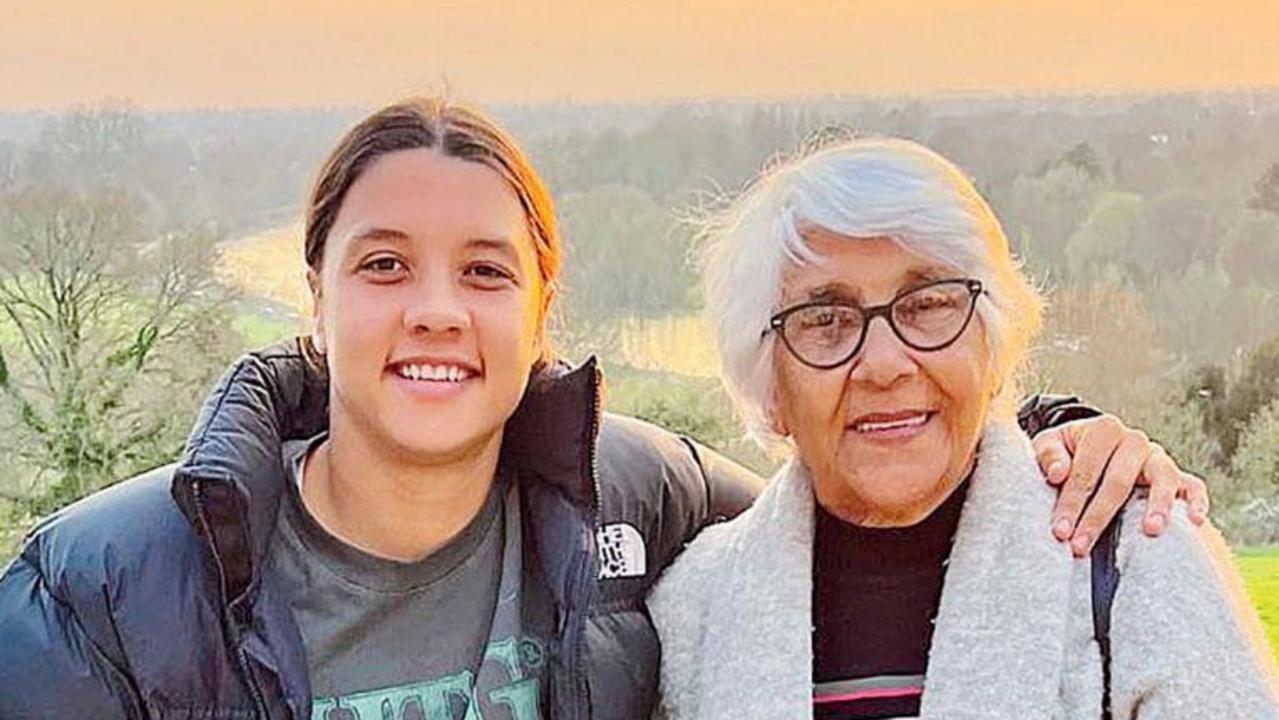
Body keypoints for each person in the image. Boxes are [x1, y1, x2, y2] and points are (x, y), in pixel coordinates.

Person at [0, 99, 1207, 720]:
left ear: (542, 311)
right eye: (381, 265)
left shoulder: (637, 507)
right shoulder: (106, 588)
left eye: (484, 271)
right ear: (311, 296)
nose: (433, 310)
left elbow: (879, 464)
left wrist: (1062, 435)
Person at [648, 137, 1279, 719]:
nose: (885, 364)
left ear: (994, 346)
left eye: (928, 305)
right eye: (826, 319)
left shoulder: (1141, 563)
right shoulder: (691, 614)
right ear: (770, 388)